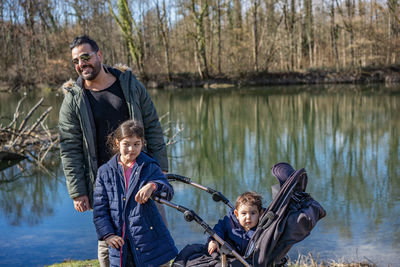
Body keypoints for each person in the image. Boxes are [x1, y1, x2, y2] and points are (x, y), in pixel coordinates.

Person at [59, 35, 168, 266]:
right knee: (109, 242)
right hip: (105, 182)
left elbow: (153, 127)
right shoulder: (73, 99)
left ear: (99, 55)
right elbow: (69, 146)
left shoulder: (129, 84)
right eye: (76, 61)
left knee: (154, 236)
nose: (81, 64)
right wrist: (78, 190)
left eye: (86, 57)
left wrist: (161, 171)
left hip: (142, 174)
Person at [93, 120, 177, 267]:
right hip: (119, 245)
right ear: (117, 143)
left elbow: (168, 191)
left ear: (142, 143)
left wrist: (153, 185)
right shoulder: (104, 172)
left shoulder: (149, 166)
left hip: (148, 241)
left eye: (136, 144)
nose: (131, 149)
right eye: (126, 144)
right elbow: (100, 211)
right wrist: (108, 235)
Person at [208, 191, 263, 256]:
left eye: (253, 213)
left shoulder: (263, 227)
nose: (248, 217)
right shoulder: (230, 221)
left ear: (260, 214)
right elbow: (219, 229)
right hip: (231, 255)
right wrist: (214, 240)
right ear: (237, 214)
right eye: (244, 213)